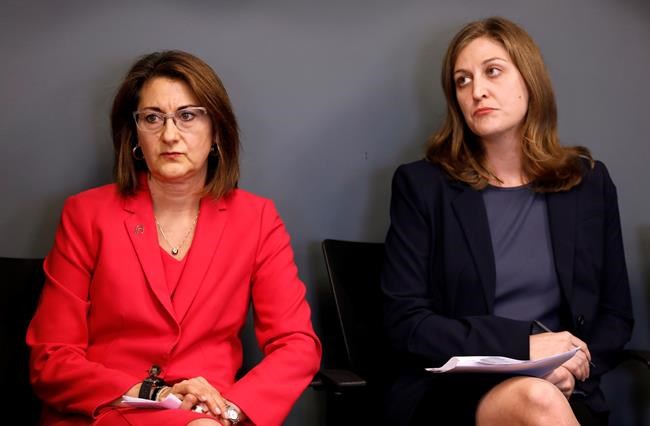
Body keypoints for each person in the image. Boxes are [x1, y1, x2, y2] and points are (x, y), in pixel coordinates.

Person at [26, 50, 322, 426]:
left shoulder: (257, 219)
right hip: (108, 409)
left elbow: (297, 345)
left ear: (216, 131)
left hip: (209, 416)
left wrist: (229, 412)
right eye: (152, 118)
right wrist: (153, 395)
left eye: (187, 116)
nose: (169, 135)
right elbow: (51, 357)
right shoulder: (86, 214)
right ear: (135, 134)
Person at [381, 17, 633, 426]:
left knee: (542, 398)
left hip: (567, 388)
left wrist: (572, 367)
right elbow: (407, 324)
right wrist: (523, 347)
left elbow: (616, 315)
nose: (477, 90)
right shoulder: (422, 186)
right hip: (455, 393)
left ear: (530, 80)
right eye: (462, 81)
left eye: (493, 71)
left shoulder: (588, 182)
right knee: (536, 399)